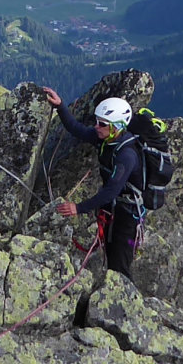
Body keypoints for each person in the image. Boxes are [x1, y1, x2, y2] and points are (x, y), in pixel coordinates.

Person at [43, 87, 145, 277]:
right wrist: (60, 106)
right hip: (113, 210)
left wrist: (78, 208)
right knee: (112, 259)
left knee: (119, 266)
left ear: (117, 126)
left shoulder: (127, 155)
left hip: (127, 216)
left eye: (102, 124)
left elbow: (110, 191)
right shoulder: (106, 140)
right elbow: (77, 129)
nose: (97, 126)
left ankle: (123, 293)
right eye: (97, 121)